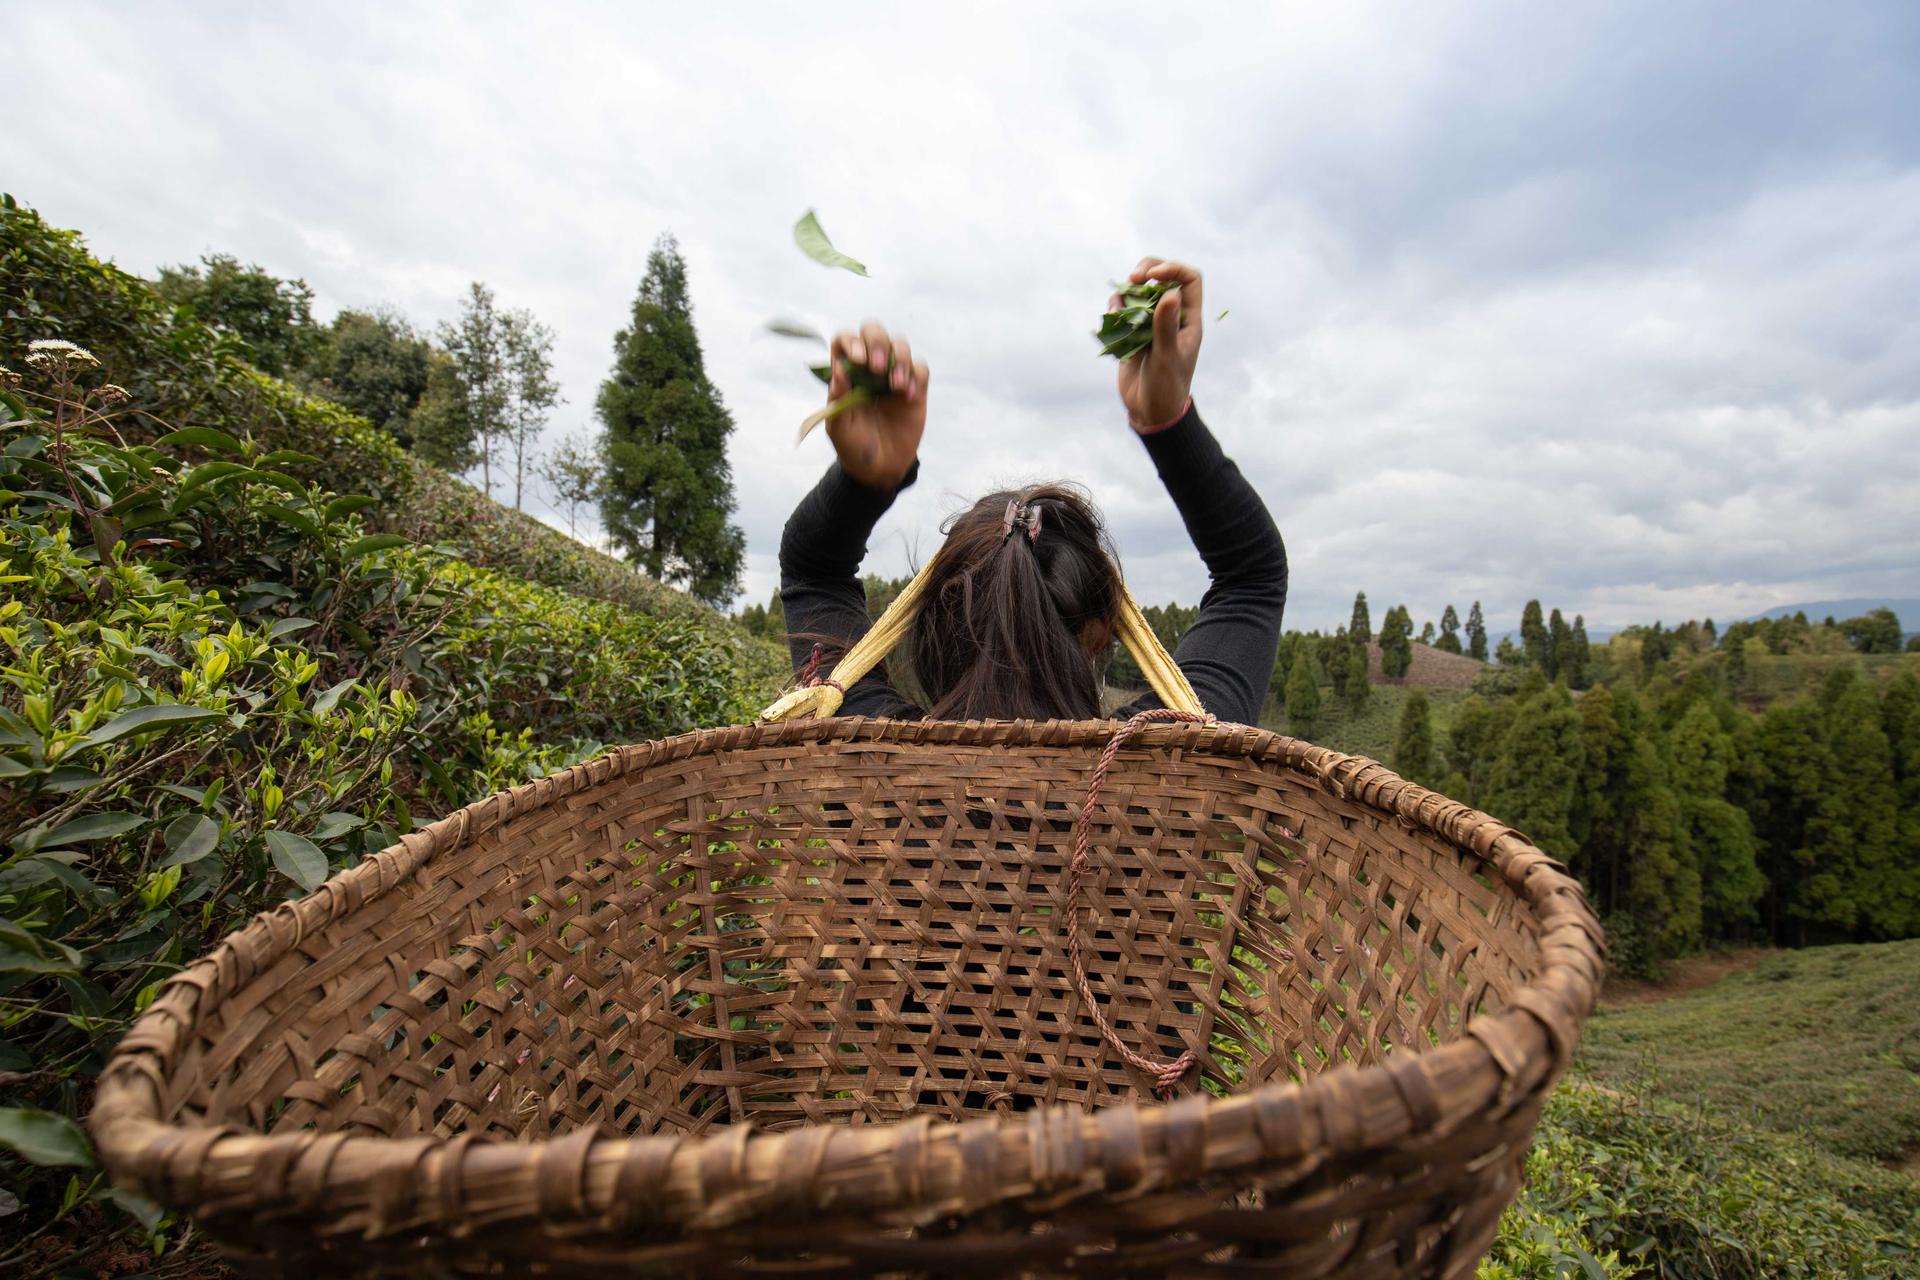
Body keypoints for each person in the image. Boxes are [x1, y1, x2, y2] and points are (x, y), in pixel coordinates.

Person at [778, 257, 1286, 724]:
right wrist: (1167, 422)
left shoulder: (865, 759)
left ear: (926, 624)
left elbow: (814, 568)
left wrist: (865, 479)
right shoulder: (1176, 759)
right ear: (1097, 632)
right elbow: (1250, 576)